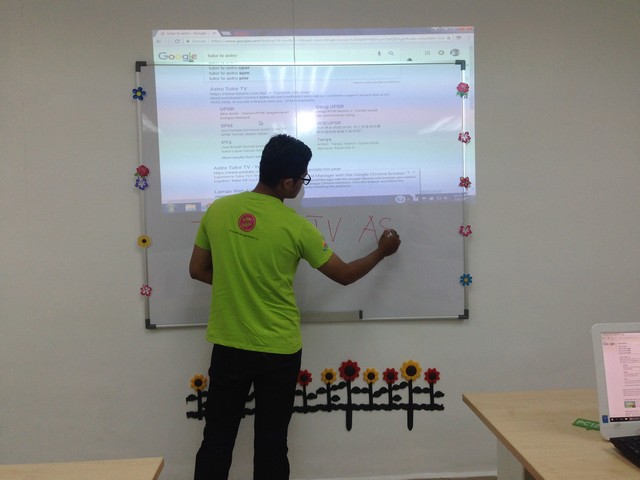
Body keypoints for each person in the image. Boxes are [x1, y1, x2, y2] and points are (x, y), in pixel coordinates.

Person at [190, 133, 401, 480]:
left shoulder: (218, 210)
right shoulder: (297, 227)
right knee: (272, 442)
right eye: (303, 178)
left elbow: (197, 270)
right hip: (279, 351)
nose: (303, 185)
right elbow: (344, 275)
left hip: (229, 346)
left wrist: (237, 281)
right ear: (287, 183)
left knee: (216, 438)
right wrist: (382, 251)